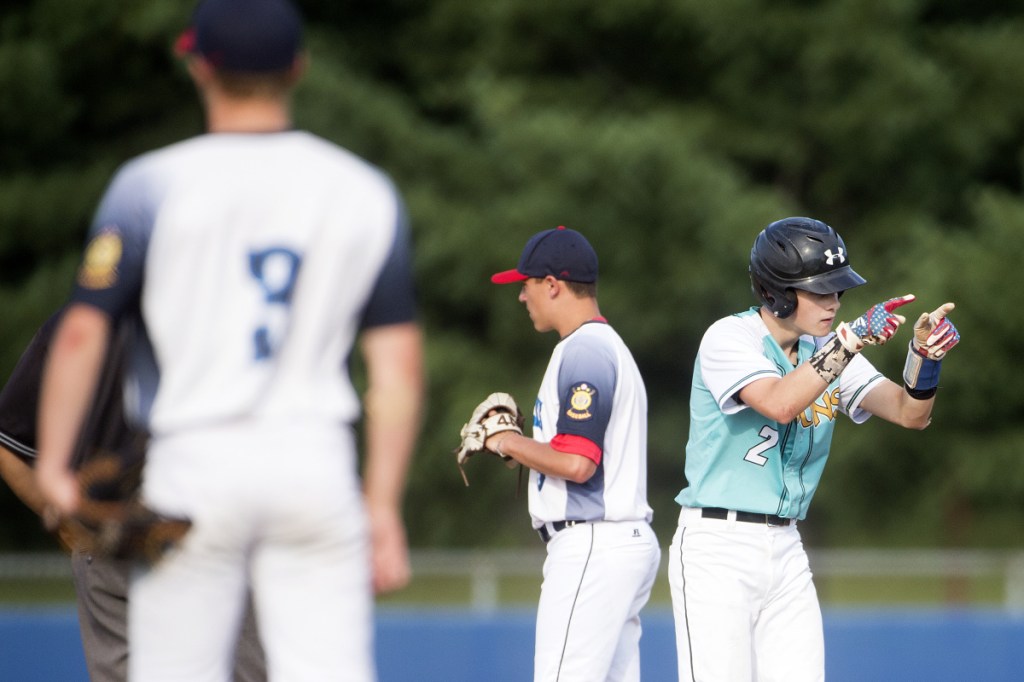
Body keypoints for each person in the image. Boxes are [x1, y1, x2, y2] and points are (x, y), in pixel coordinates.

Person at [34, 0, 425, 680]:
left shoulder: (149, 183)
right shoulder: (362, 190)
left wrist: (54, 469)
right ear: (298, 69)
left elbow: (80, 333)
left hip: (194, 462)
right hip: (314, 460)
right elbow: (395, 371)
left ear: (198, 67)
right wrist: (383, 501)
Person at [667, 216, 960, 682]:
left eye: (837, 290)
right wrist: (850, 340)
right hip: (718, 547)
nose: (834, 301)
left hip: (785, 545)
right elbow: (780, 402)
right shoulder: (730, 337)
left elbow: (910, 414)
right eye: (818, 290)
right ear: (775, 292)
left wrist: (924, 360)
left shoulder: (825, 345)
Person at [0, 311, 267, 682]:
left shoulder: (76, 322)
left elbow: (9, 446)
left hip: (116, 539)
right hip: (207, 532)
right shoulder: (223, 308)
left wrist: (65, 521)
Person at [484, 226, 661, 682]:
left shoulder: (585, 351)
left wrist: (505, 441)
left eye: (525, 285)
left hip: (592, 545)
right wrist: (528, 450)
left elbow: (578, 463)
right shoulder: (602, 347)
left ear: (552, 284)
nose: (521, 297)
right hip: (616, 544)